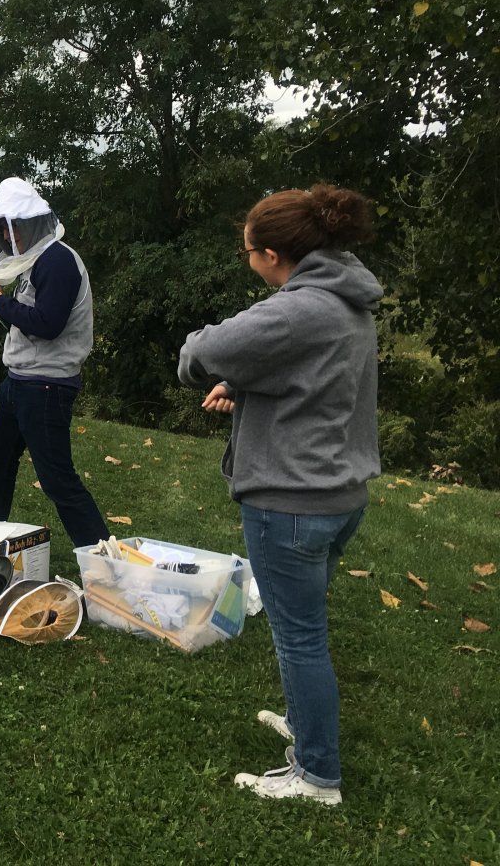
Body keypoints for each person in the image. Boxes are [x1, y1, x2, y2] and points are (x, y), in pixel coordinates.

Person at [178, 183, 380, 806]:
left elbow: (203, 351)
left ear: (271, 255)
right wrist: (245, 389)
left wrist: (209, 368)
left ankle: (317, 776)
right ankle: (306, 723)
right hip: (340, 493)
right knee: (304, 629)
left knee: (300, 637)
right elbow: (316, 383)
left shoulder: (297, 309)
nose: (247, 260)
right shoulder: (348, 301)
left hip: (291, 502)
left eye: (247, 251)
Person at [0, 177, 110, 550]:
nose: (5, 234)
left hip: (47, 387)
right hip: (19, 381)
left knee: (57, 480)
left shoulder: (59, 261)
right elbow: (26, 322)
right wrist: (3, 304)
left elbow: (48, 325)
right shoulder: (36, 263)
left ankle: (103, 559)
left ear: (28, 223)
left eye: (9, 227)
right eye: (1, 228)